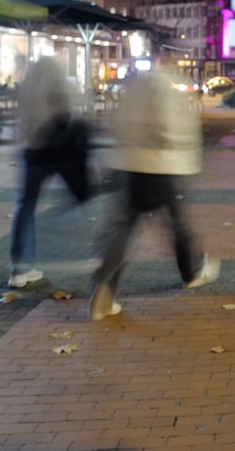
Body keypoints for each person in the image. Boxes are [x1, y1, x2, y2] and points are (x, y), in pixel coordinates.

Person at [88, 65, 220, 320]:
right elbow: (177, 133)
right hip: (162, 170)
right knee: (177, 223)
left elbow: (117, 129)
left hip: (131, 170)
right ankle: (191, 271)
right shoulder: (168, 97)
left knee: (122, 229)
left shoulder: (133, 97)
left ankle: (103, 289)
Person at [9, 57, 92, 288]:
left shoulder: (27, 86)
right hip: (55, 151)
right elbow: (66, 112)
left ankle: (19, 267)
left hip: (32, 152)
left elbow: (23, 119)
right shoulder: (56, 84)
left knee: (25, 207)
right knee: (78, 196)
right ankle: (64, 249)